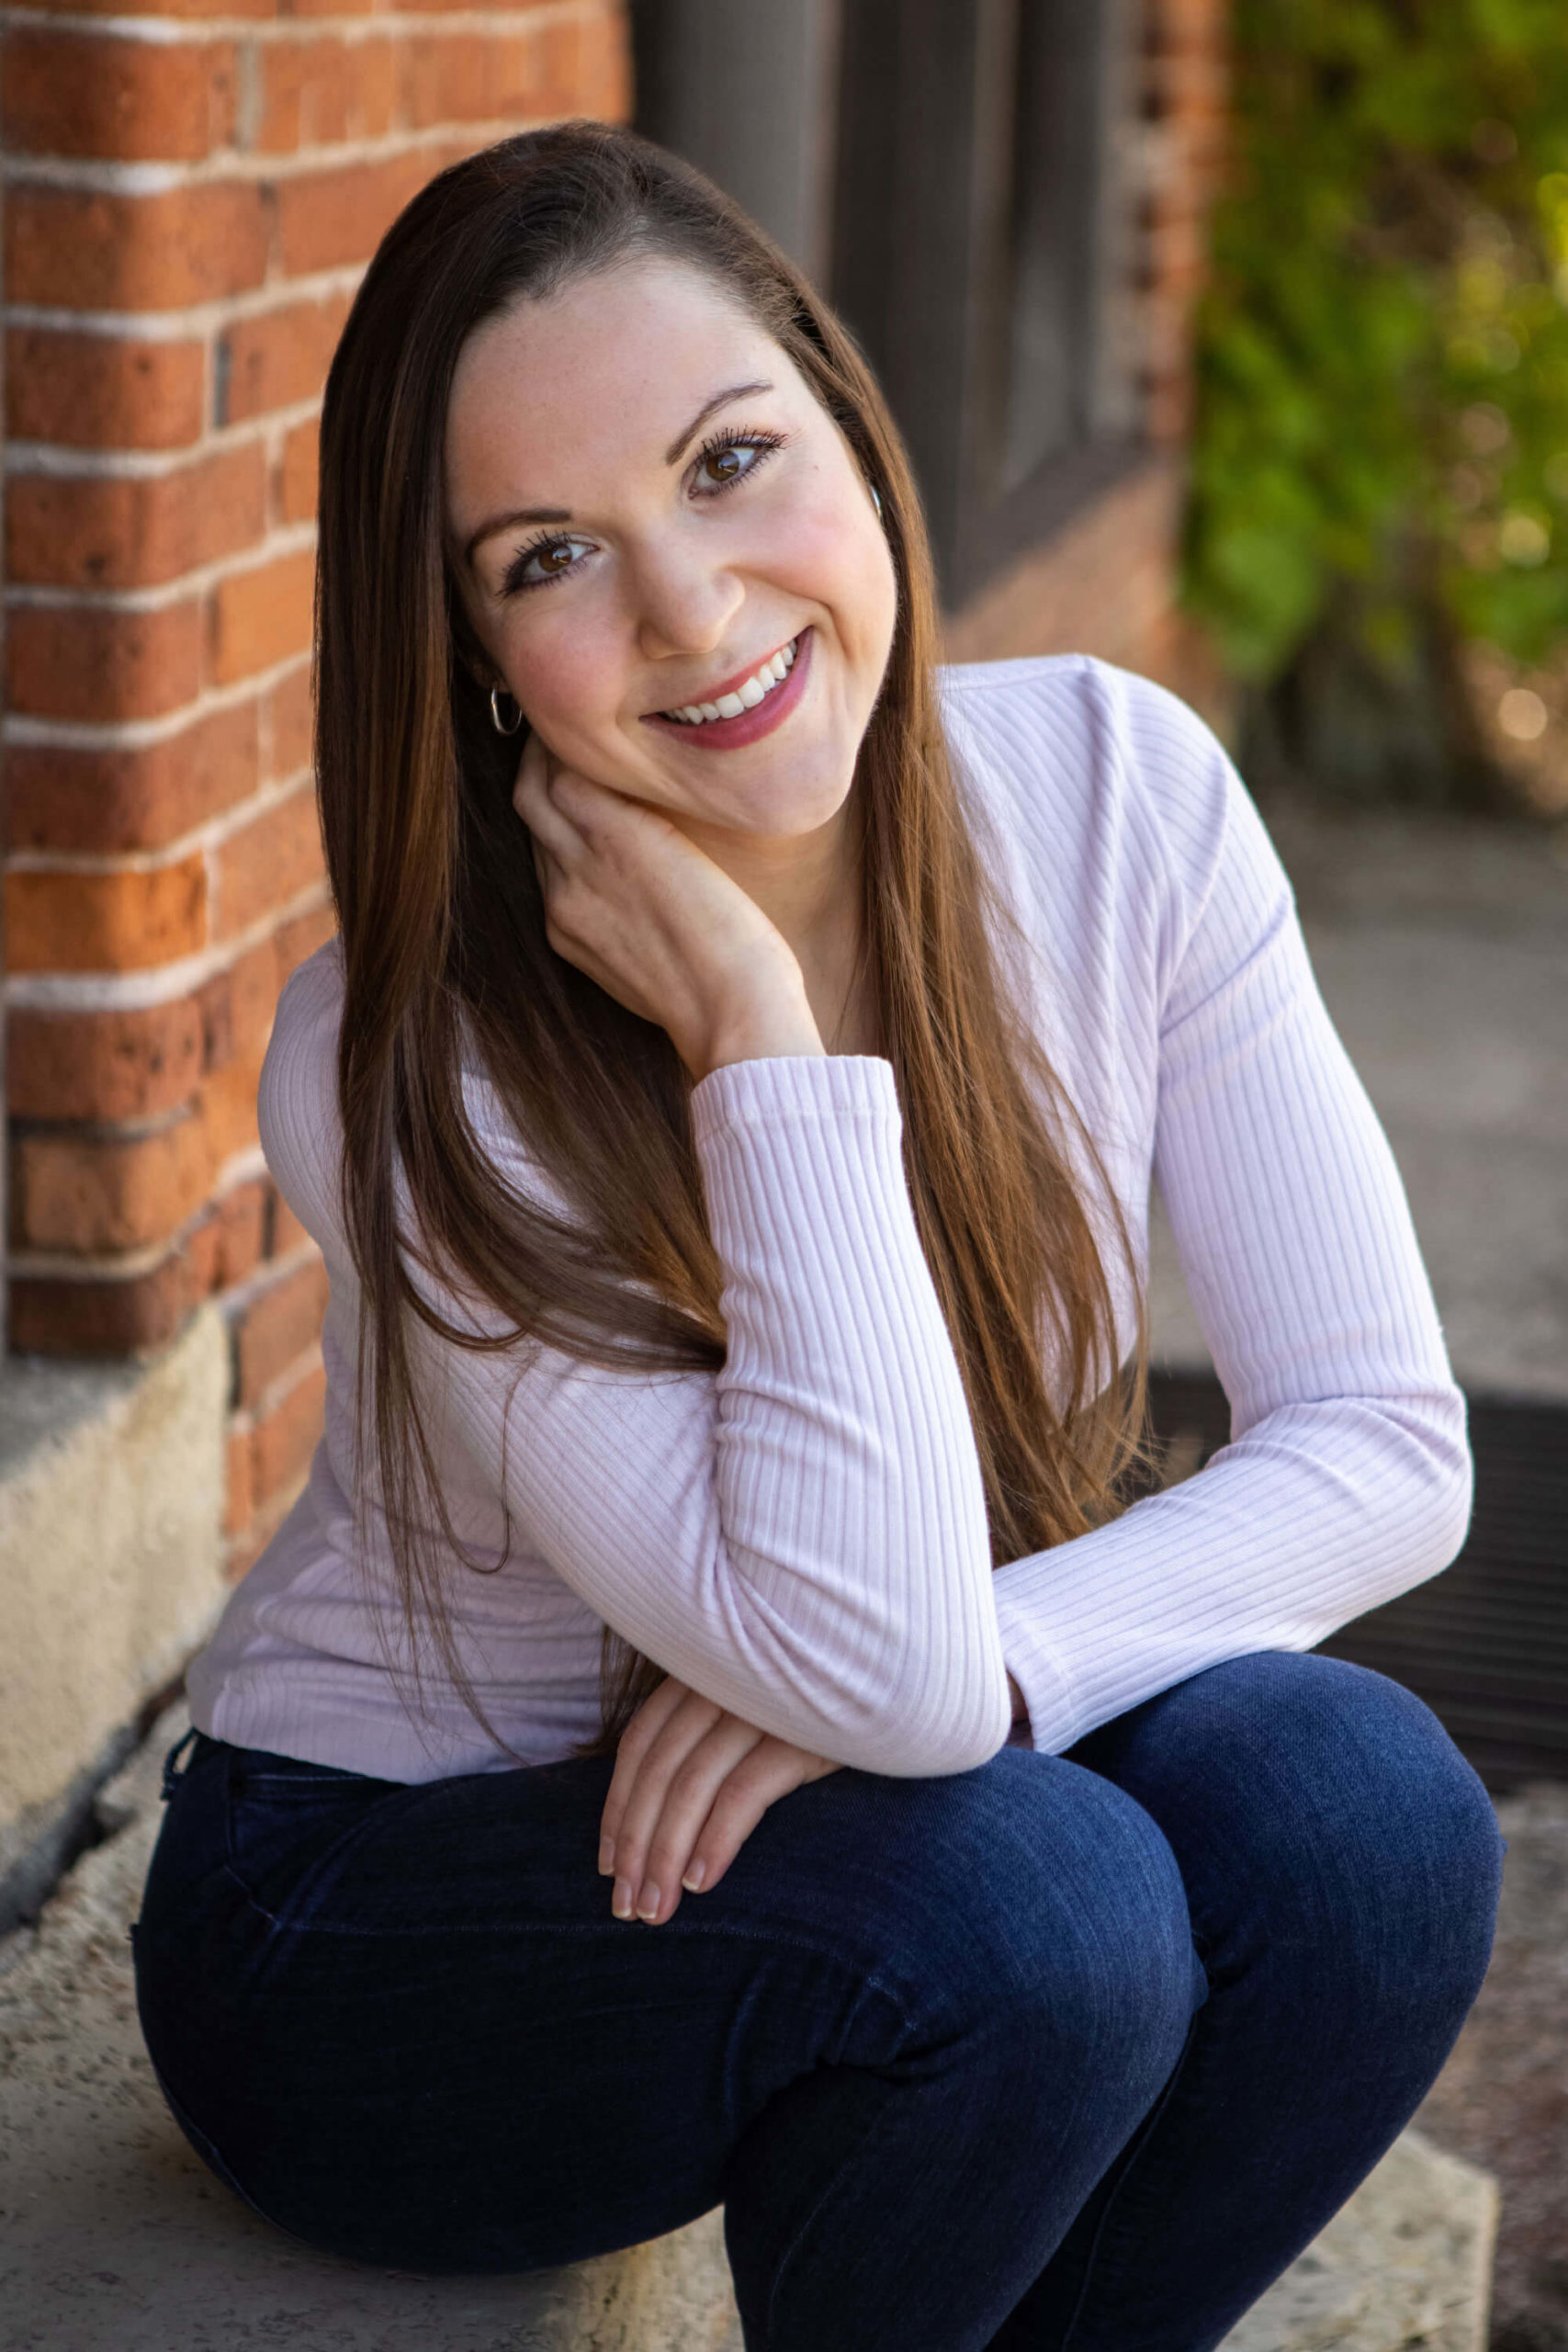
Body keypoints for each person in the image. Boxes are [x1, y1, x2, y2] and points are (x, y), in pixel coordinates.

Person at [131, 119, 1504, 2352]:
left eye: (729, 459)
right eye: (550, 553)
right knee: (1031, 1907)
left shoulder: (1110, 791)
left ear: (854, 439)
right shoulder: (400, 1058)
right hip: (375, 1918)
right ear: (475, 657)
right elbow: (874, 1676)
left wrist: (1001, 1664)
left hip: (858, 1799)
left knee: (1363, 1817)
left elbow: (1378, 1438)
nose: (688, 607)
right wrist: (753, 1027)